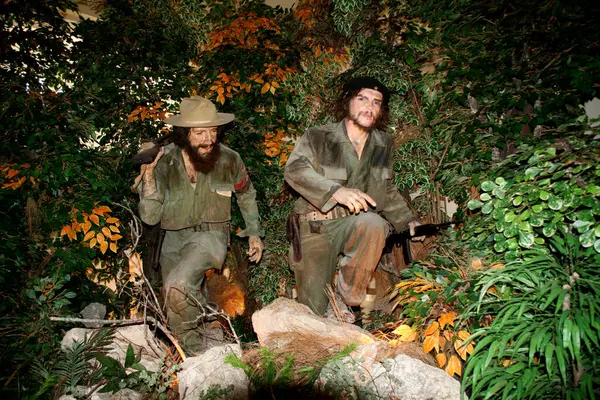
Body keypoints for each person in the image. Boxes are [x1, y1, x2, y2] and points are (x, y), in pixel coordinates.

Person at [134, 96, 264, 353]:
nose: (208, 139)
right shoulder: (164, 162)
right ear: (184, 134)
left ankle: (196, 354)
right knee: (175, 300)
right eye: (200, 132)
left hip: (211, 236)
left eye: (213, 131)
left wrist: (254, 233)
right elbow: (150, 217)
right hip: (172, 239)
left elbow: (246, 194)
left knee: (178, 286)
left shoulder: (229, 159)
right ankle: (207, 330)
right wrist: (148, 176)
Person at [284, 77, 421, 316]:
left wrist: (408, 220)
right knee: (313, 311)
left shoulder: (381, 144)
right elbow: (295, 170)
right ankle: (323, 314)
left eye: (377, 102)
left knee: (375, 224)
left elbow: (385, 189)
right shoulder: (319, 136)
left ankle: (346, 297)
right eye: (363, 99)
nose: (370, 107)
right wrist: (335, 191)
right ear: (348, 101)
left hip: (356, 223)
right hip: (316, 226)